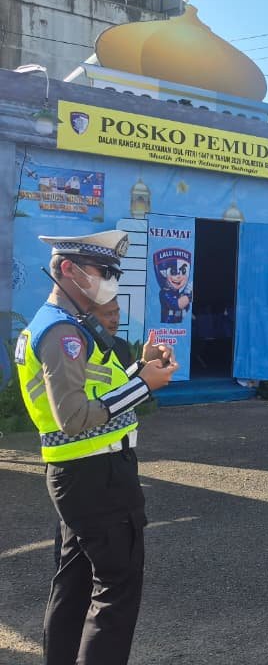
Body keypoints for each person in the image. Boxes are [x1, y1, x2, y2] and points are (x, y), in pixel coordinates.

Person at [18, 230, 178, 665]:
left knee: (75, 585)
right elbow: (74, 417)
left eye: (116, 273)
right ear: (68, 270)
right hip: (95, 476)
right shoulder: (61, 332)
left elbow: (97, 389)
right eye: (104, 272)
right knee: (116, 590)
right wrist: (144, 384)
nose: (112, 281)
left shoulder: (70, 327)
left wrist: (138, 368)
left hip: (83, 474)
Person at [91, 296, 136, 368]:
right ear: (90, 317)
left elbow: (131, 377)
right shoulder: (82, 345)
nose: (115, 320)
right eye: (108, 314)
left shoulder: (122, 346)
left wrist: (144, 361)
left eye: (116, 312)